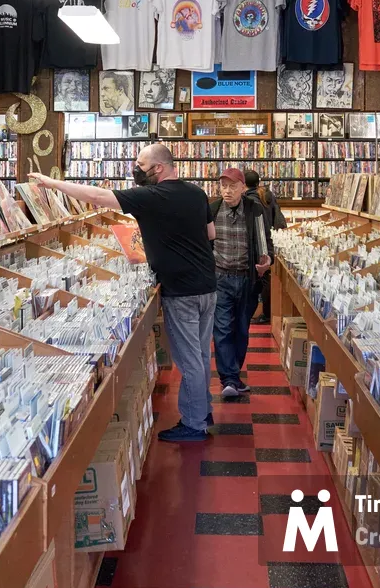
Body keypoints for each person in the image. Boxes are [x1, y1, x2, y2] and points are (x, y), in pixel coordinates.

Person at [29, 144, 217, 443]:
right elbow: (210, 235)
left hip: (181, 289)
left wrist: (51, 184)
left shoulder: (152, 196)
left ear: (157, 168)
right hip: (207, 285)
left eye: (140, 164)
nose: (136, 169)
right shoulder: (196, 193)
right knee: (201, 353)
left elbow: (96, 196)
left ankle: (194, 424)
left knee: (189, 359)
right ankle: (203, 410)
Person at [210, 169, 272, 397]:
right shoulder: (213, 210)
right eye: (223, 186)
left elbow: (264, 241)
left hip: (247, 278)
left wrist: (266, 261)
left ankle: (233, 375)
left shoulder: (255, 209)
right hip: (221, 278)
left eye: (232, 186)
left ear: (243, 188)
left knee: (242, 330)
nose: (227, 191)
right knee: (223, 328)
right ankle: (229, 379)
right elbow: (205, 243)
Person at [243, 169, 285, 324]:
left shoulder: (247, 200)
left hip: (256, 244)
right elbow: (278, 219)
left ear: (244, 184)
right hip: (270, 241)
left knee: (258, 279)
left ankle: (262, 312)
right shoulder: (267, 195)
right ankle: (266, 312)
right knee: (266, 278)